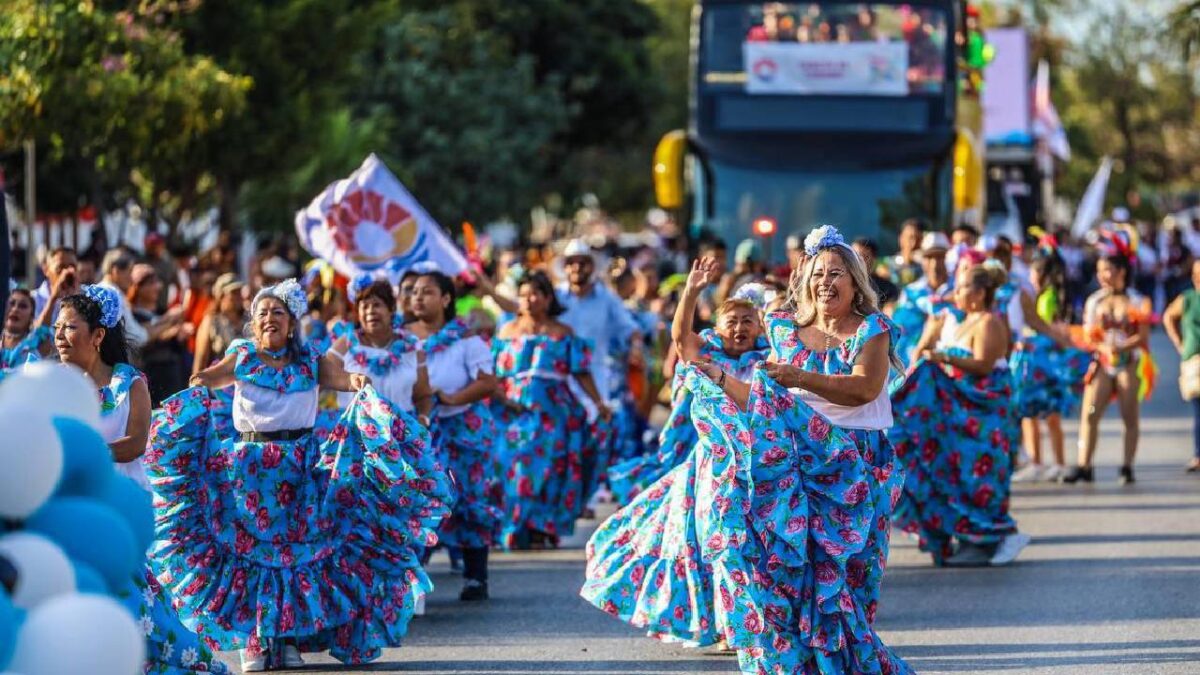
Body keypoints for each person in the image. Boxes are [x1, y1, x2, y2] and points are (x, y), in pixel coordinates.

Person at [583, 225, 912, 673]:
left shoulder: (872, 329)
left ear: (855, 282)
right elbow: (764, 400)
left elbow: (863, 389)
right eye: (817, 273)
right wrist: (720, 379)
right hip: (794, 463)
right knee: (783, 573)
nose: (825, 282)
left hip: (852, 467)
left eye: (836, 273)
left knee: (844, 584)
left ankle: (843, 664)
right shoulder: (786, 331)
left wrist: (798, 378)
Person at [148, 279, 451, 671]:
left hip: (300, 471)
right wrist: (199, 387)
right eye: (262, 313)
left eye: (278, 312)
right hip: (251, 471)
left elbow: (342, 378)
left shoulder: (310, 359)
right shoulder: (242, 356)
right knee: (251, 554)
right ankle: (256, 642)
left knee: (294, 554)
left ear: (292, 323)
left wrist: (357, 381)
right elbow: (208, 377)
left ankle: (288, 638)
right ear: (253, 323)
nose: (269, 319)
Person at [55, 285, 231, 673]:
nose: (59, 336)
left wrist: (85, 453)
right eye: (57, 328)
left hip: (120, 510)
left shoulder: (129, 382)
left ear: (98, 335)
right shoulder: (56, 384)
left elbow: (135, 443)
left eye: (69, 327)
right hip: (71, 511)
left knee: (135, 607)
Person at [891, 264, 1030, 566]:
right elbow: (918, 358)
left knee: (978, 478)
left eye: (962, 287)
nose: (955, 293)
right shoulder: (958, 320)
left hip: (983, 418)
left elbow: (983, 365)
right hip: (956, 415)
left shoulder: (989, 322)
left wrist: (943, 356)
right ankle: (956, 534)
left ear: (979, 294)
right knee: (944, 469)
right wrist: (931, 334)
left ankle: (988, 540)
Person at [607, 268, 769, 505]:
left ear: (759, 328)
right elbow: (681, 338)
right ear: (718, 329)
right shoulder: (706, 355)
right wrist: (691, 292)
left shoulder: (767, 359)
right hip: (702, 448)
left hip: (752, 452)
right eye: (732, 321)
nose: (739, 327)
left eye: (747, 321)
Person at [493, 271, 611, 550]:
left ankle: (541, 526)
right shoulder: (506, 332)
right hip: (513, 410)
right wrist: (498, 399)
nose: (529, 300)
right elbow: (492, 374)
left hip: (554, 411)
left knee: (551, 468)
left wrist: (598, 402)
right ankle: (516, 526)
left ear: (548, 299)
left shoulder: (563, 333)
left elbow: (581, 372)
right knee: (515, 466)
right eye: (523, 294)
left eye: (535, 294)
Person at [407, 269, 502, 600]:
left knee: (470, 499)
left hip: (463, 430)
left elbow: (488, 382)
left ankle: (476, 576)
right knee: (419, 500)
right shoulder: (401, 339)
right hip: (419, 429)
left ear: (446, 299)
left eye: (427, 292)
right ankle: (411, 579)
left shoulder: (467, 339)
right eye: (414, 292)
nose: (418, 297)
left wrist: (451, 399)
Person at [1064, 239, 1151, 485]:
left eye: (1107, 270)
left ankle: (1127, 466)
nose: (1102, 276)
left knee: (1129, 416)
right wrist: (1103, 348)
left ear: (1121, 271)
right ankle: (1084, 465)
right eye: (1100, 271)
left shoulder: (1137, 301)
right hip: (1102, 362)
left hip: (1128, 362)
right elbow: (1088, 335)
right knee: (1090, 412)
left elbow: (1143, 337)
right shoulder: (1094, 301)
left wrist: (1121, 347)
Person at [1010, 251, 1092, 483]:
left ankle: (1052, 462)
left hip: (1043, 361)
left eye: (1032, 272)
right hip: (1042, 361)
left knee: (1042, 414)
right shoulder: (1047, 295)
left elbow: (1044, 327)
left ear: (1041, 274)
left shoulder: (1045, 298)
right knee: (1037, 414)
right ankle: (1043, 462)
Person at [128, 264, 189, 405]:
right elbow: (140, 340)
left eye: (157, 282)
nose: (157, 287)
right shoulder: (132, 317)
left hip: (173, 374)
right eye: (151, 283)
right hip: (149, 375)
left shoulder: (162, 311)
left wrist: (179, 336)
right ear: (137, 287)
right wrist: (169, 327)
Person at [892, 231, 953, 365]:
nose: (935, 264)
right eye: (929, 257)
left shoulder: (960, 291)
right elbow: (902, 331)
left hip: (952, 362)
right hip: (915, 363)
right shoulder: (911, 292)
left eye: (940, 257)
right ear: (922, 260)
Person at [1164, 259, 1200, 472]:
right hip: (1195, 361)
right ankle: (1198, 454)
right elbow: (1168, 316)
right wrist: (1179, 343)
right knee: (1198, 409)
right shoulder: (1188, 299)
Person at [192, 273, 247, 376]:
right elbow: (200, 363)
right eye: (233, 292)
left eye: (239, 291)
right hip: (221, 381)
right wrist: (197, 383)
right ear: (221, 296)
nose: (239, 296)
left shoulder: (249, 319)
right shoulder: (211, 322)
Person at [97, 249, 149, 348]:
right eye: (129, 271)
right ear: (115, 271)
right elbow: (134, 336)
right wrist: (166, 325)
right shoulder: (112, 295)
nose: (131, 278)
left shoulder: (104, 290)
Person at [1, 287, 53, 377]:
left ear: (31, 316)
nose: (15, 309)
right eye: (11, 303)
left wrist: (53, 298)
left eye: (23, 306)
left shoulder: (36, 344)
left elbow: (43, 327)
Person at [33, 246, 80, 328]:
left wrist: (77, 299)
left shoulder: (89, 294)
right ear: (46, 270)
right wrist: (53, 299)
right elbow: (37, 332)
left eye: (72, 267)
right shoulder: (33, 299)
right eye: (60, 268)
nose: (67, 272)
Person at [852, 237, 900, 308]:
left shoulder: (887, 288)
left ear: (873, 259)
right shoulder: (841, 282)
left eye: (861, 256)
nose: (856, 260)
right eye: (852, 255)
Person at [886, 218, 925, 286]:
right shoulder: (888, 265)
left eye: (918, 239)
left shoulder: (926, 268)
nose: (914, 244)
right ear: (901, 239)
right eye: (910, 238)